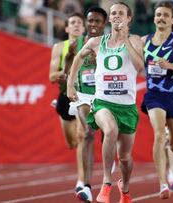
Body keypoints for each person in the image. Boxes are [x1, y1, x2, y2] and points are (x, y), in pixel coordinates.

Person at [67, 2, 144, 203]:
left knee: (125, 158)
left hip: (126, 107)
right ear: (109, 19)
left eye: (121, 13)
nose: (117, 16)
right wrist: (70, 84)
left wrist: (125, 39)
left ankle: (125, 188)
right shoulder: (96, 42)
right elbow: (78, 58)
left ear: (129, 19)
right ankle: (106, 184)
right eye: (113, 13)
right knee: (109, 131)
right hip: (103, 102)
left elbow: (140, 67)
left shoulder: (135, 40)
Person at [140, 1, 173, 199]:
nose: (161, 17)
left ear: (172, 20)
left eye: (165, 15)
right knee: (159, 135)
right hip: (154, 95)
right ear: (154, 18)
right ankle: (162, 183)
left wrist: (169, 65)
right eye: (158, 14)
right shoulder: (144, 41)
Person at [63, 6, 108, 202]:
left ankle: (109, 153)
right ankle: (86, 185)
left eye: (97, 21)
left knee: (108, 132)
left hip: (105, 94)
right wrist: (68, 80)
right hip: (83, 94)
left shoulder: (110, 43)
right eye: (90, 21)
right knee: (88, 133)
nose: (92, 24)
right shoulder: (76, 44)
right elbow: (67, 64)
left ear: (104, 24)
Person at [48, 13, 86, 194]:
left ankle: (81, 181)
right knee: (71, 143)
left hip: (83, 96)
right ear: (67, 28)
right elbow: (51, 76)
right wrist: (64, 75)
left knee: (81, 138)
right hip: (65, 95)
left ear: (84, 28)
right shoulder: (59, 47)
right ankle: (58, 105)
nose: (77, 25)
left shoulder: (90, 45)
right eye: (73, 23)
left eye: (80, 22)